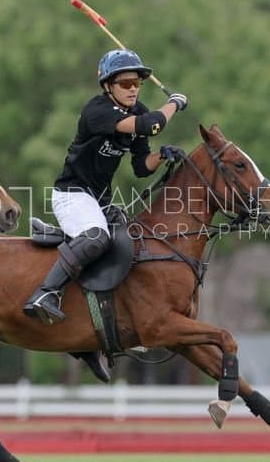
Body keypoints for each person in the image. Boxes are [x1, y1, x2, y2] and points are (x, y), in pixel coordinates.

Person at [23, 48, 188, 334]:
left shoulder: (138, 112)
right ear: (108, 86)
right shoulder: (96, 111)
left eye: (137, 83)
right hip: (71, 194)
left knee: (133, 245)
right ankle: (46, 293)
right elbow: (153, 125)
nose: (133, 89)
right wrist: (174, 102)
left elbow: (141, 167)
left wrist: (161, 156)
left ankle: (114, 323)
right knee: (97, 238)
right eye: (125, 84)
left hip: (100, 200)